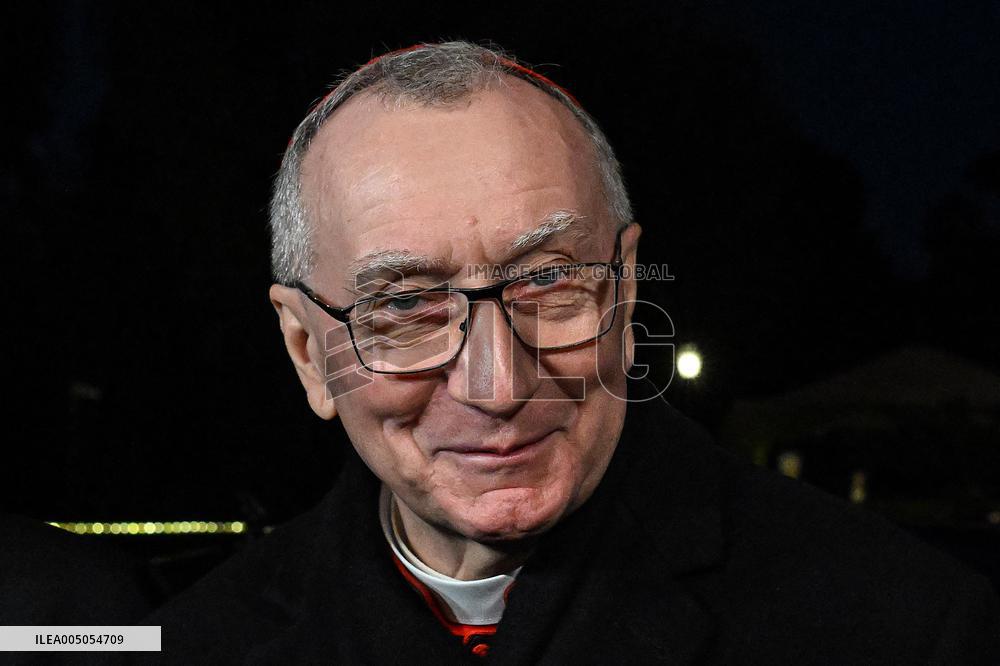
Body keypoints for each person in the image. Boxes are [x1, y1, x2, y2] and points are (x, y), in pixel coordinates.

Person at [145, 41, 1000, 663]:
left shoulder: (900, 627)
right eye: (406, 305)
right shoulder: (194, 644)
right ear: (306, 351)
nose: (498, 385)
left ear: (624, 295)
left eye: (549, 282)